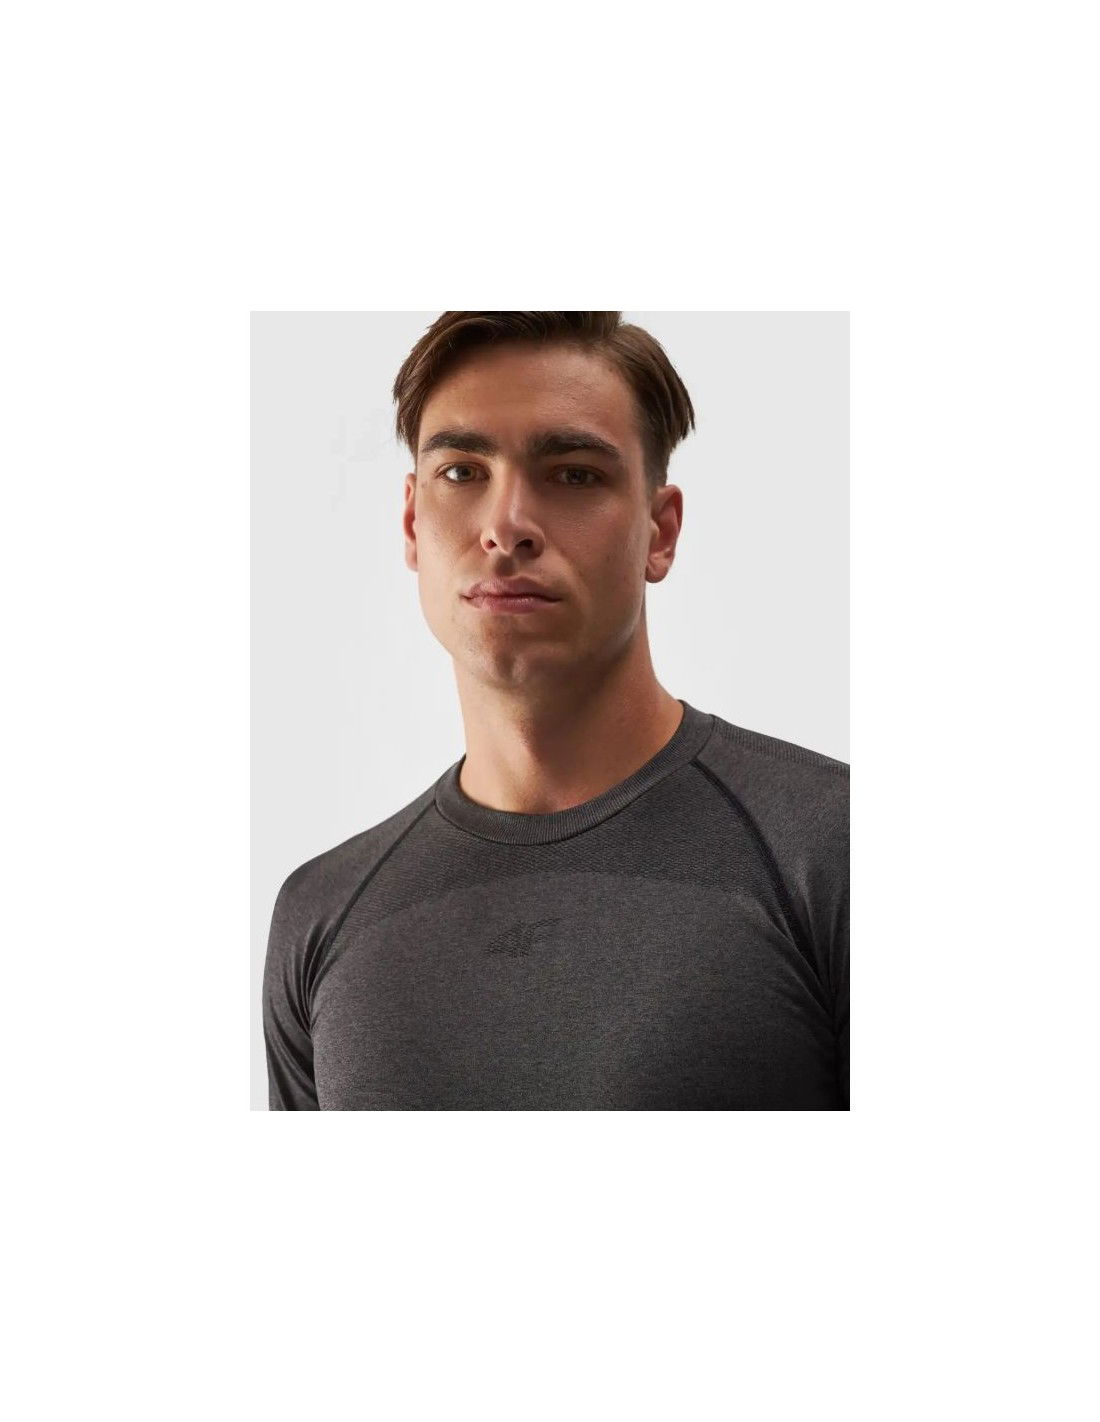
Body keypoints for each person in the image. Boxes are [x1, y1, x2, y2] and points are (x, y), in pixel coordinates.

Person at [262, 311, 849, 1110]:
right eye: (462, 472)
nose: (505, 526)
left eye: (573, 474)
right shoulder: (322, 915)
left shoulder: (834, 851)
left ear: (660, 532)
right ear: (411, 523)